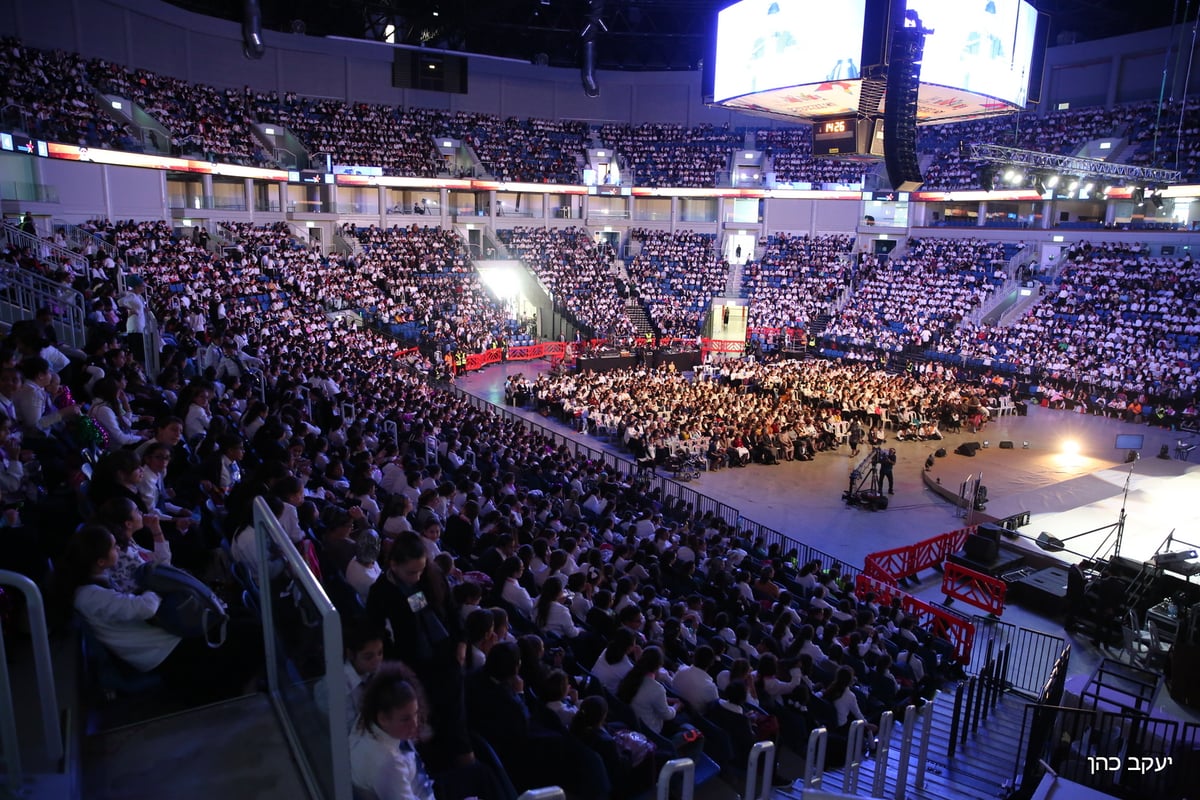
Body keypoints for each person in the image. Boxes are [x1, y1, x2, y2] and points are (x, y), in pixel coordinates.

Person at [349, 662, 437, 800]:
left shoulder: (366, 720)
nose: (415, 724)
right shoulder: (388, 764)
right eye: (405, 719)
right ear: (383, 718)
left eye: (416, 714)